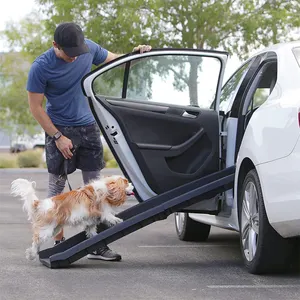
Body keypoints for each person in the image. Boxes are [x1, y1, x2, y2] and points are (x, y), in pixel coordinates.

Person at [26, 22, 152, 261]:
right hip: (59, 129)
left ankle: (96, 244)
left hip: (88, 126)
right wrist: (57, 137)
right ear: (55, 46)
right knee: (57, 189)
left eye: (78, 53)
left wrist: (136, 54)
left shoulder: (88, 49)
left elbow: (117, 60)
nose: (75, 58)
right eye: (69, 53)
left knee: (96, 189)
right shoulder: (40, 68)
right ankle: (59, 243)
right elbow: (35, 108)